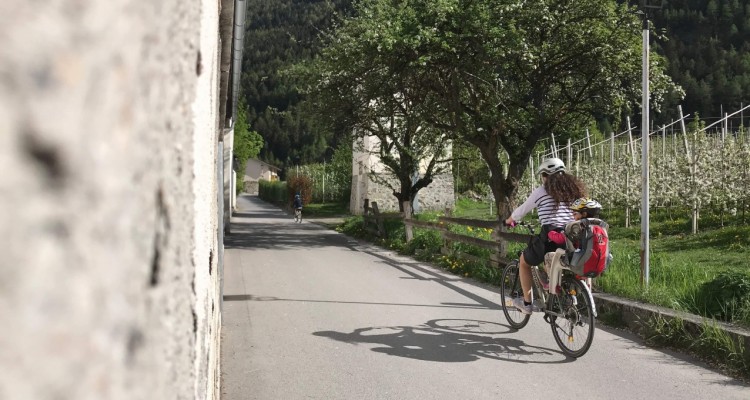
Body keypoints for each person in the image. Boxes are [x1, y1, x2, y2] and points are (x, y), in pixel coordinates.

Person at [504, 157, 586, 314]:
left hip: (552, 236)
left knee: (524, 262)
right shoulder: (574, 190)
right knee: (553, 260)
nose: (542, 179)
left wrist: (509, 220)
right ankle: (556, 289)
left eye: (543, 175)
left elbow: (522, 210)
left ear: (546, 175)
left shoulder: (541, 191)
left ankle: (527, 304)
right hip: (572, 235)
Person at [544, 197, 604, 290]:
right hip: (597, 264)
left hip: (577, 261)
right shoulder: (601, 227)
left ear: (584, 214)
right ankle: (587, 286)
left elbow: (561, 239)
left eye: (575, 214)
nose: (573, 217)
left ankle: (552, 283)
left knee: (549, 256)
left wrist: (550, 233)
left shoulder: (577, 226)